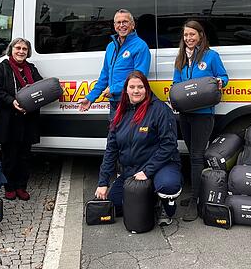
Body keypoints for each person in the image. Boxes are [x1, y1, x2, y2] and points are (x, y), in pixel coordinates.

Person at [95, 71, 183, 226]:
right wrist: (103, 182)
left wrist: (147, 171)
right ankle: (150, 200)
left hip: (160, 166)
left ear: (146, 89)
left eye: (140, 87)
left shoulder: (160, 110)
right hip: (132, 170)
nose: (136, 91)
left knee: (168, 185)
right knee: (114, 204)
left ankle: (165, 204)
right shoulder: (119, 112)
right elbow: (111, 150)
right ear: (126, 90)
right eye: (132, 87)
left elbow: (168, 145)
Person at [172, 20, 228, 222]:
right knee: (191, 153)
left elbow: (223, 76)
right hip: (186, 114)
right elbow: (176, 83)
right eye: (186, 35)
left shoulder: (211, 56)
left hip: (203, 114)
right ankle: (198, 193)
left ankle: (196, 200)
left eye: (192, 35)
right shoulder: (180, 59)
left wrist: (221, 81)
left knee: (197, 156)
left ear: (200, 36)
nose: (188, 38)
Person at [0, 38, 43, 201]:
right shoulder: (2, 68)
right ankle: (9, 186)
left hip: (28, 118)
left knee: (25, 156)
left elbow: (40, 86)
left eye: (24, 49)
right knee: (9, 156)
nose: (21, 51)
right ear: (11, 50)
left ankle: (21, 186)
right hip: (9, 118)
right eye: (18, 48)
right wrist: (11, 101)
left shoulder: (31, 69)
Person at [78, 9, 151, 121]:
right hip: (114, 103)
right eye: (118, 22)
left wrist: (113, 89)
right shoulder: (110, 47)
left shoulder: (140, 46)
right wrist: (90, 98)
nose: (122, 25)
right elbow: (104, 76)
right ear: (114, 25)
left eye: (125, 22)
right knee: (113, 136)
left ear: (132, 24)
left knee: (130, 137)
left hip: (131, 103)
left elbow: (139, 78)